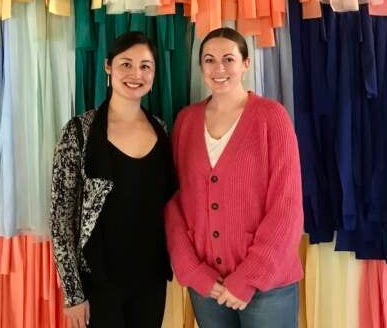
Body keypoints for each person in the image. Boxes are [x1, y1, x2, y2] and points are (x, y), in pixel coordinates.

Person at [165, 27, 304, 327]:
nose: (219, 69)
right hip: (207, 287)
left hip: (268, 286)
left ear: (246, 64)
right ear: (200, 67)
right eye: (210, 60)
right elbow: (174, 202)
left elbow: (287, 206)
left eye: (228, 59)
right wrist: (191, 270)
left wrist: (250, 275)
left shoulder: (272, 117)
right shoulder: (186, 122)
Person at [50, 31, 176, 328]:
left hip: (150, 278)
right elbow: (60, 216)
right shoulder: (79, 131)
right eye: (126, 64)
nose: (136, 74)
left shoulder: (161, 129)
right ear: (108, 67)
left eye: (145, 66)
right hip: (99, 282)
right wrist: (73, 294)